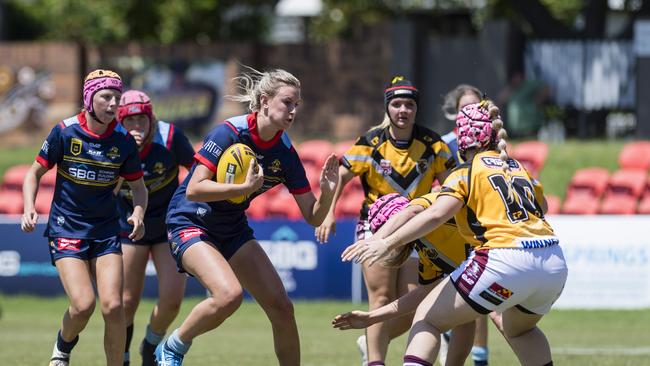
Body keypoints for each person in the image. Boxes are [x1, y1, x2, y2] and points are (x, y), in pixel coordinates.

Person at [341, 101, 568, 366]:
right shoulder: (517, 167)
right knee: (520, 330)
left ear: (462, 140)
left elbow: (434, 213)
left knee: (427, 319)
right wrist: (373, 317)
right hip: (553, 262)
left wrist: (385, 241)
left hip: (506, 256)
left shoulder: (463, 173)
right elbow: (542, 207)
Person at [156, 67, 339, 366]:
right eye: (287, 102)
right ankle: (173, 346)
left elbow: (313, 216)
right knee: (228, 295)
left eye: (297, 105)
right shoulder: (229, 132)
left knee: (281, 307)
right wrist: (242, 187)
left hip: (231, 225)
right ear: (265, 101)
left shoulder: (285, 153)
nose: (293, 110)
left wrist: (328, 193)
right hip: (190, 220)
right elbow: (194, 189)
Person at [316, 76, 456, 366]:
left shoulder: (433, 144)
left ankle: (368, 340)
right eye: (396, 104)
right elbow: (341, 175)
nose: (402, 110)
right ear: (387, 108)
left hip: (417, 229)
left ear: (416, 109)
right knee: (380, 298)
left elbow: (451, 185)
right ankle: (375, 362)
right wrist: (329, 214)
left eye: (408, 104)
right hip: (375, 227)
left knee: (412, 305)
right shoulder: (370, 143)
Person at [21, 69, 148, 366]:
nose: (113, 104)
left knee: (114, 306)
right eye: (106, 96)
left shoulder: (123, 141)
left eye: (117, 97)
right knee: (82, 305)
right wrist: (30, 205)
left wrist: (139, 212)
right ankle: (62, 349)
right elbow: (34, 173)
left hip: (105, 231)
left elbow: (139, 188)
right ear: (89, 98)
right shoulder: (64, 132)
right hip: (66, 229)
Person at [332, 192, 476, 366]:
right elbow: (422, 293)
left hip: (503, 254)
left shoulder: (433, 205)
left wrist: (379, 240)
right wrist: (372, 317)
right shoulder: (425, 250)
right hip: (495, 269)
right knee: (464, 310)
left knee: (429, 318)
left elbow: (411, 212)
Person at [115, 90, 195, 366]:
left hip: (168, 225)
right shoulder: (111, 142)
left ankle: (151, 343)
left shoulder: (171, 137)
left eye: (142, 120)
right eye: (130, 121)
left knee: (172, 300)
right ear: (120, 122)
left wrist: (189, 205)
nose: (136, 126)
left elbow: (198, 171)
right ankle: (122, 356)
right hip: (128, 225)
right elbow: (105, 190)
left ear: (151, 119)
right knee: (126, 301)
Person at [440, 84, 491, 366]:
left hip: (480, 228)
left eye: (476, 108)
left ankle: (480, 358)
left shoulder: (493, 146)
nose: (470, 114)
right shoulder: (442, 144)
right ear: (454, 112)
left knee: (481, 297)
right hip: (448, 228)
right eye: (464, 109)